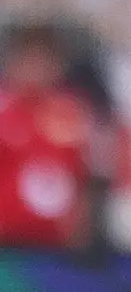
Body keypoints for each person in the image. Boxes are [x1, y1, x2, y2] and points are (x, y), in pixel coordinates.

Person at [0, 23, 109, 250]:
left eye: (43, 60)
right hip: (8, 241)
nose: (36, 68)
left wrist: (81, 227)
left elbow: (86, 176)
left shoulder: (74, 113)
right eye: (30, 59)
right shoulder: (4, 111)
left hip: (58, 246)